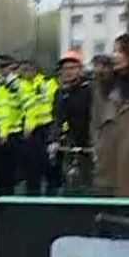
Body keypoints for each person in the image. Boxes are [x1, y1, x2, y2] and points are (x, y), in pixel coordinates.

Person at [93, 32, 129, 196]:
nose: (115, 56)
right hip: (105, 176)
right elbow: (95, 124)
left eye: (121, 51)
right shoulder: (105, 89)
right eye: (114, 51)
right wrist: (98, 148)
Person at [51, 50, 95, 191]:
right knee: (70, 177)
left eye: (72, 68)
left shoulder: (90, 89)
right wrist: (54, 140)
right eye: (65, 69)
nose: (68, 72)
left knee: (92, 179)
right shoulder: (61, 93)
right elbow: (58, 118)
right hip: (73, 139)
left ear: (80, 69)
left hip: (91, 138)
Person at [19, 60, 56, 195]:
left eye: (28, 69)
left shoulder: (47, 83)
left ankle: (51, 194)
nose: (26, 73)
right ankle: (32, 195)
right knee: (31, 166)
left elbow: (42, 105)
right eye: (23, 70)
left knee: (48, 164)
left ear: (35, 70)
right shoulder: (21, 85)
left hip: (46, 127)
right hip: (30, 131)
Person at [0, 55, 24, 198]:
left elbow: (26, 105)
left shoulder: (19, 84)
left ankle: (8, 196)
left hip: (14, 131)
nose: (1, 70)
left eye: (4, 67)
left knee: (9, 168)